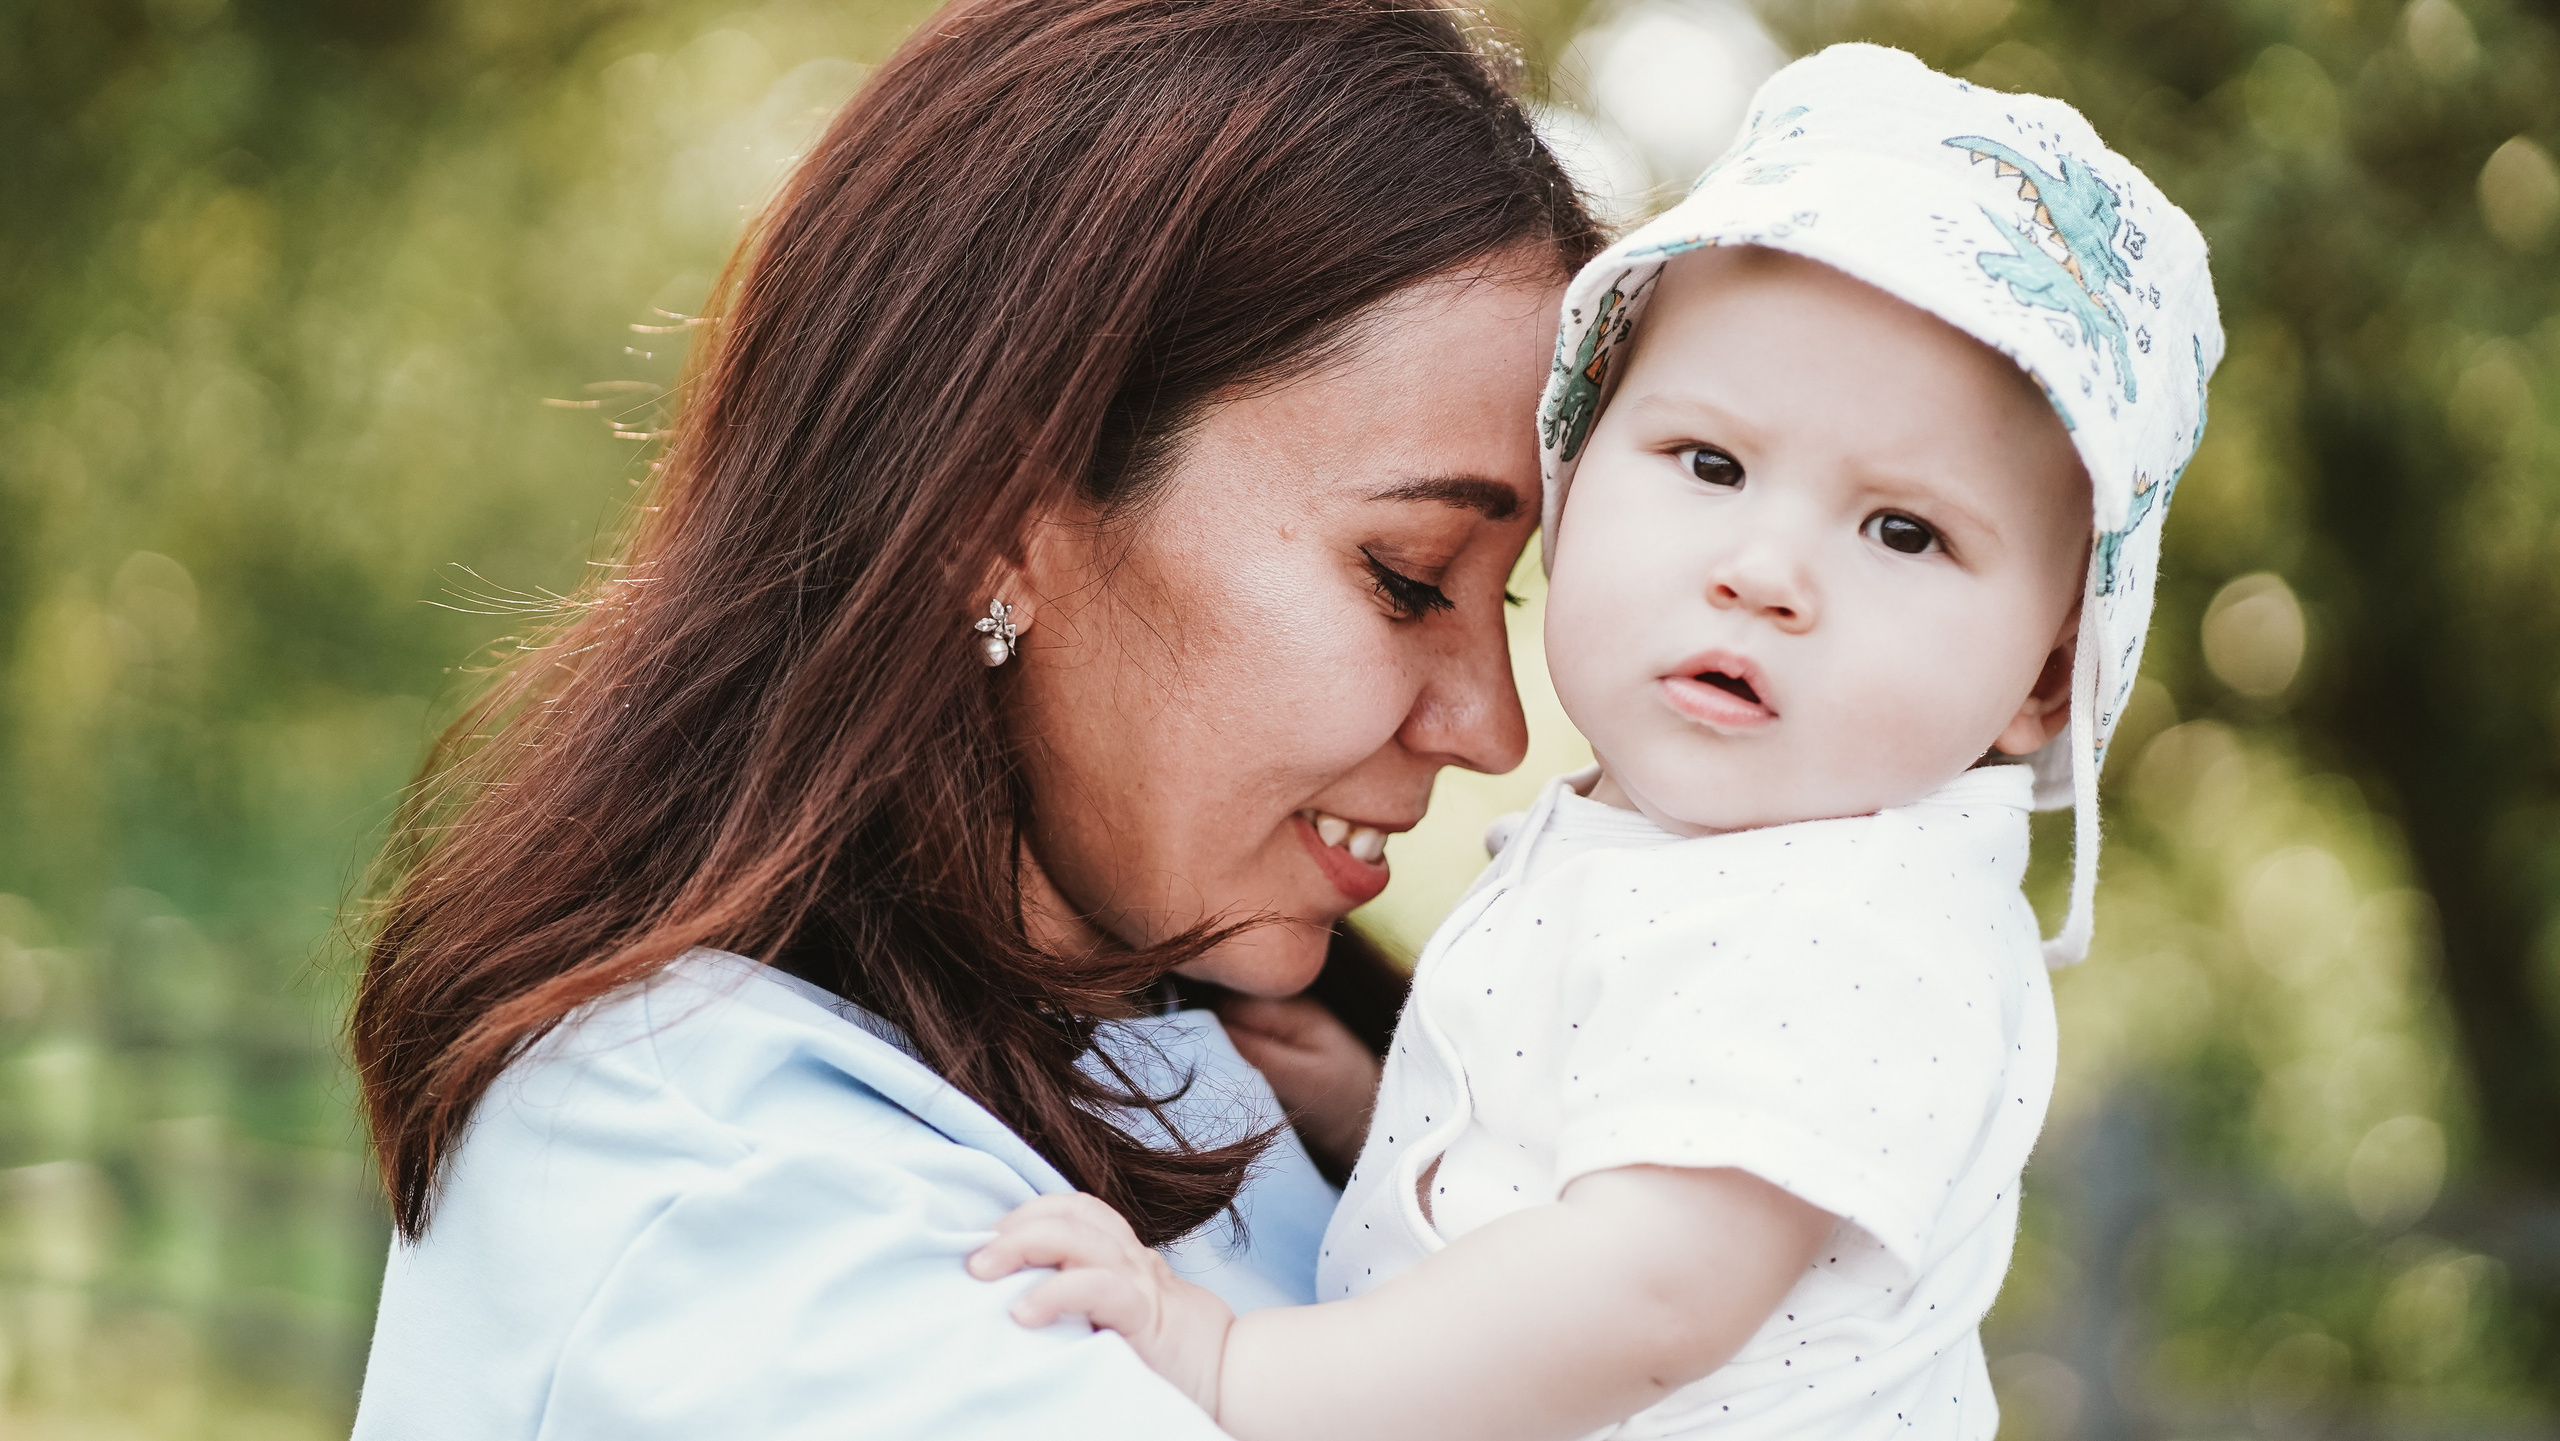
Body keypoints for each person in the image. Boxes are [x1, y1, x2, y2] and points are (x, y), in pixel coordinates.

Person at [342, 0, 1600, 1434]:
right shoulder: (744, 1205)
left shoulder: (1268, 1069)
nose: (1493, 728)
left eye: (1505, 602)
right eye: (1408, 576)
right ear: (1001, 512)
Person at [969, 43, 2225, 1441]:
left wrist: (1224, 1365)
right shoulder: (1717, 872)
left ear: (2045, 680)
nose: (1765, 567)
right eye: (1711, 463)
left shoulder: (1863, 922)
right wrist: (1383, 1114)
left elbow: (1645, 1289)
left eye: (1904, 531)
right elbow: (1601, 1160)